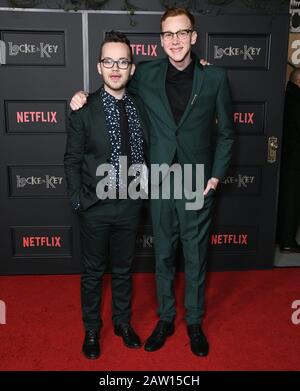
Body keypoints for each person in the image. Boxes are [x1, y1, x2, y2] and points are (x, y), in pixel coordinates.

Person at [70, 8, 234, 357]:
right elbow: (113, 82)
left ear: (193, 36)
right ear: (161, 40)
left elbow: (228, 135)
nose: (174, 41)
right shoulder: (144, 73)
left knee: (194, 256)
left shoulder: (215, 77)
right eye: (168, 35)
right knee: (162, 256)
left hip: (195, 182)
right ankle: (165, 319)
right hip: (158, 180)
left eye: (181, 33)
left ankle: (194, 321)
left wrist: (216, 177)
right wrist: (81, 96)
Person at [64, 31, 149, 359]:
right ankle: (91, 330)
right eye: (109, 61)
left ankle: (122, 323)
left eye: (122, 61)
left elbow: (174, 69)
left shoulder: (141, 105)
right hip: (95, 207)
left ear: (132, 68)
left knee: (125, 270)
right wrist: (77, 200)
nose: (116, 68)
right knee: (93, 273)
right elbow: (71, 159)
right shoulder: (83, 108)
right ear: (99, 67)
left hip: (130, 204)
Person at [278, 68, 300, 253]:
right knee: (291, 202)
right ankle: (287, 240)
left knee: (287, 199)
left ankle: (281, 237)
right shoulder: (296, 100)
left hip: (286, 158)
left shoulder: (287, 97)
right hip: (294, 160)